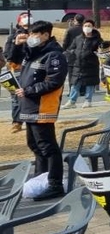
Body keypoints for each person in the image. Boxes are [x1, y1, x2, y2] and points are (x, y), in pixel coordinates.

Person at [8, 21, 67, 200]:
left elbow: (54, 81)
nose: (32, 37)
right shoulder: (32, 52)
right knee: (35, 145)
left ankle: (55, 183)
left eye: (36, 34)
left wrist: (29, 90)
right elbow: (13, 61)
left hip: (42, 106)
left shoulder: (54, 55)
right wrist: (15, 44)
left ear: (46, 35)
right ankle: (41, 178)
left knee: (48, 147)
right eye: (30, 34)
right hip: (28, 106)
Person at [63, 18, 102, 108]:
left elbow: (101, 50)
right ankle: (72, 101)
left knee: (90, 83)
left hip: (91, 65)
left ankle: (88, 101)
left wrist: (95, 53)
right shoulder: (78, 38)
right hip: (78, 64)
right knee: (75, 83)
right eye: (85, 26)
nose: (87, 28)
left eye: (89, 26)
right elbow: (71, 48)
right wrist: (73, 53)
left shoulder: (97, 39)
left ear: (93, 27)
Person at [4, 12, 31, 133]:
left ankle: (30, 120)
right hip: (16, 70)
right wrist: (17, 44)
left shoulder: (36, 34)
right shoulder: (13, 36)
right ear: (19, 21)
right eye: (24, 17)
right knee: (16, 97)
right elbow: (8, 56)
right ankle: (17, 122)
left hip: (31, 69)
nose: (27, 19)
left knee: (30, 95)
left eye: (29, 16)